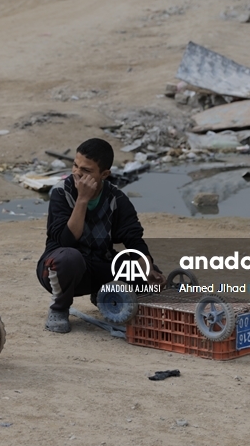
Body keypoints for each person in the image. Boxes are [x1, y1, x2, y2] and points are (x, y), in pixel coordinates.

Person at [36, 138, 164, 333]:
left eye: (86, 171)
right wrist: (82, 199)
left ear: (104, 174)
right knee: (70, 258)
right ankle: (59, 308)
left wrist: (148, 270)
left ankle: (103, 295)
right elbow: (66, 240)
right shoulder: (61, 193)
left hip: (99, 263)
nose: (77, 173)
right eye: (75, 166)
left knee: (145, 271)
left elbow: (134, 240)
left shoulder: (116, 198)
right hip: (60, 268)